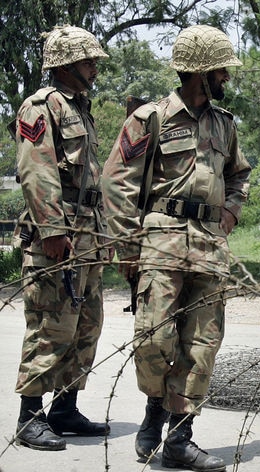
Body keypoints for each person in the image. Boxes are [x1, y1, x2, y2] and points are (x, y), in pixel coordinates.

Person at [101, 25, 251, 471]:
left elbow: (239, 176)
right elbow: (116, 180)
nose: (227, 76)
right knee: (155, 338)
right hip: (161, 240)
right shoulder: (152, 117)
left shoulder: (225, 124)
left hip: (210, 244)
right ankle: (155, 408)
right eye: (222, 69)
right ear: (201, 72)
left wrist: (231, 213)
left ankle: (180, 437)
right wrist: (127, 245)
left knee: (203, 342)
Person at [11, 25, 111, 452]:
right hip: (58, 234)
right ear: (67, 65)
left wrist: (104, 233)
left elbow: (91, 178)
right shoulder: (40, 107)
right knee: (51, 325)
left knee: (87, 324)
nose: (94, 68)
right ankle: (29, 416)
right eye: (89, 61)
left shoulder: (80, 109)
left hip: (86, 232)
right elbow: (36, 172)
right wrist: (51, 230)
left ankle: (64, 408)